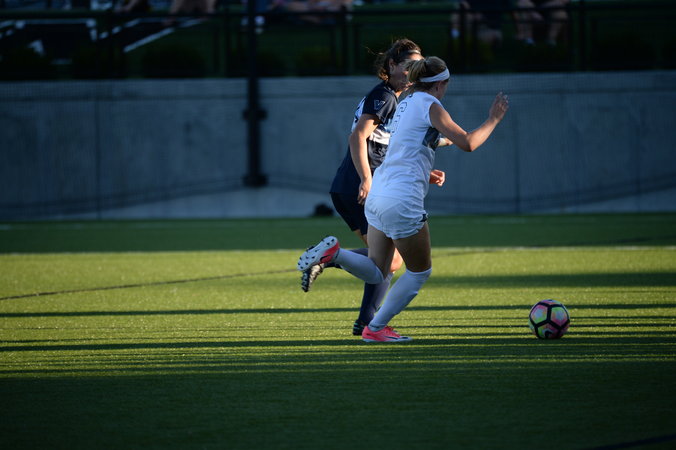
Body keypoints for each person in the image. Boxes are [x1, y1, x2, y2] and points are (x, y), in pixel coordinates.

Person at [297, 56, 509, 342]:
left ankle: (335, 254)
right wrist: (493, 119)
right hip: (401, 199)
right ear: (441, 84)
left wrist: (424, 170)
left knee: (379, 270)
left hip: (378, 194)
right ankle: (375, 328)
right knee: (419, 272)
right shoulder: (431, 105)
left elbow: (408, 146)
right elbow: (468, 143)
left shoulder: (405, 102)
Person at [301, 38, 448, 337]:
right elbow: (358, 136)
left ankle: (364, 317)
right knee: (389, 262)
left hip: (361, 183)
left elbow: (395, 143)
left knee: (385, 261)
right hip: (361, 184)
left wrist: (423, 168)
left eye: (417, 66)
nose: (412, 71)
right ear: (392, 65)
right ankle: (340, 271)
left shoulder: (398, 98)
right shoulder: (386, 96)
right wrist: (366, 178)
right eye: (408, 65)